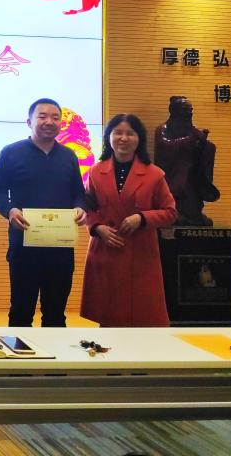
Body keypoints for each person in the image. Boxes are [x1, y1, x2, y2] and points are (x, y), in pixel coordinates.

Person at [0, 98, 86, 328]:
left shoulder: (69, 156)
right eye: (42, 116)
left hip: (60, 247)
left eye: (55, 117)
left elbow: (78, 193)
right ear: (29, 122)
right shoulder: (11, 152)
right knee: (20, 312)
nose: (49, 122)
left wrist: (80, 208)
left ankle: (54, 353)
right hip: (24, 245)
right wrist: (9, 210)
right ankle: (18, 353)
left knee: (56, 314)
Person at [81, 113, 178, 327]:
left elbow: (170, 212)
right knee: (108, 317)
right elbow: (88, 207)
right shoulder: (95, 172)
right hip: (106, 250)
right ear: (108, 137)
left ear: (139, 138)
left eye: (130, 133)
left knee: (142, 317)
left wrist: (142, 218)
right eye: (117, 133)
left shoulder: (154, 174)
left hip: (140, 254)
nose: (123, 138)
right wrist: (97, 228)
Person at [153, 95, 220, 226]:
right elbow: (164, 145)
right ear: (175, 111)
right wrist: (188, 141)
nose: (188, 114)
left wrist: (205, 144)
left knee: (208, 151)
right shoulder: (163, 129)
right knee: (178, 187)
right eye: (185, 111)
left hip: (190, 171)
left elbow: (199, 138)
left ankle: (194, 212)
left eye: (190, 111)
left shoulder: (190, 129)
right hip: (173, 172)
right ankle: (174, 213)